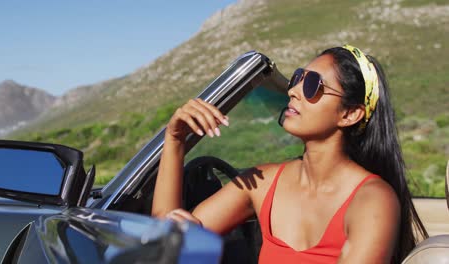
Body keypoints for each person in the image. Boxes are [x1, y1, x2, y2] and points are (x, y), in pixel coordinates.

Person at [151, 45, 428, 263]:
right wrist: (174, 140)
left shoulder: (373, 200)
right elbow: (169, 235)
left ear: (349, 114)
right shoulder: (263, 181)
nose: (293, 91)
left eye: (312, 86)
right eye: (298, 78)